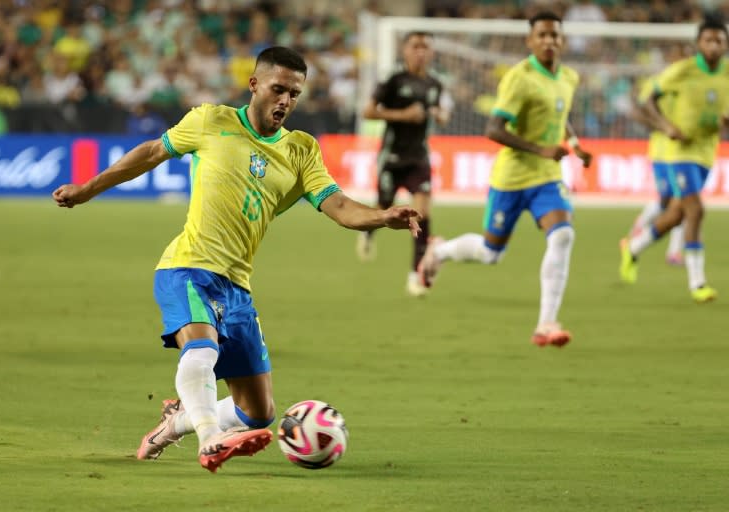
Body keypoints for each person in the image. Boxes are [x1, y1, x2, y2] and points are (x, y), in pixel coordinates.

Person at [52, 47, 421, 472]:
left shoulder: (301, 150)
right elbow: (153, 152)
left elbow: (336, 205)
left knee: (259, 413)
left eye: (294, 94)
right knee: (201, 349)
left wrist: (381, 216)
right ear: (254, 84)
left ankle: (177, 423)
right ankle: (210, 439)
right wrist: (86, 190)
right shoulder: (212, 120)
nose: (286, 100)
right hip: (187, 266)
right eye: (278, 89)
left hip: (237, 285)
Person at [417, 12, 592, 347]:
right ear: (530, 41)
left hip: (548, 178)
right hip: (511, 179)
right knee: (490, 252)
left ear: (562, 40)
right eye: (541, 35)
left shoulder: (568, 77)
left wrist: (576, 145)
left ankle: (546, 324)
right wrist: (539, 149)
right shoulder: (519, 78)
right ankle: (440, 252)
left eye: (554, 35)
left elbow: (560, 114)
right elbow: (493, 129)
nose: (548, 41)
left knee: (563, 235)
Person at [619, 17, 729, 303]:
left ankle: (634, 247)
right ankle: (697, 282)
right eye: (709, 40)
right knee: (696, 210)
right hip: (678, 152)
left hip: (706, 151)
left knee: (677, 213)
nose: (714, 46)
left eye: (720, 40)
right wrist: (665, 126)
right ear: (699, 43)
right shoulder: (682, 71)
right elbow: (646, 100)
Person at [355, 31, 450, 297]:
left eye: (425, 47)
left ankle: (415, 276)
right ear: (405, 51)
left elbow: (440, 110)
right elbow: (368, 111)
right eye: (415, 46)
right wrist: (404, 115)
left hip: (419, 157)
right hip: (392, 157)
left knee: (422, 215)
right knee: (383, 208)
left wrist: (440, 114)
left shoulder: (435, 84)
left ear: (431, 53)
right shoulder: (393, 81)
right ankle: (368, 233)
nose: (420, 51)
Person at [626, 76, 685, 266]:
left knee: (678, 201)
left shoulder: (688, 87)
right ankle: (640, 229)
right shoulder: (657, 85)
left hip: (680, 154)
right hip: (662, 154)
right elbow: (638, 112)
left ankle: (672, 250)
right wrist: (662, 125)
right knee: (671, 201)